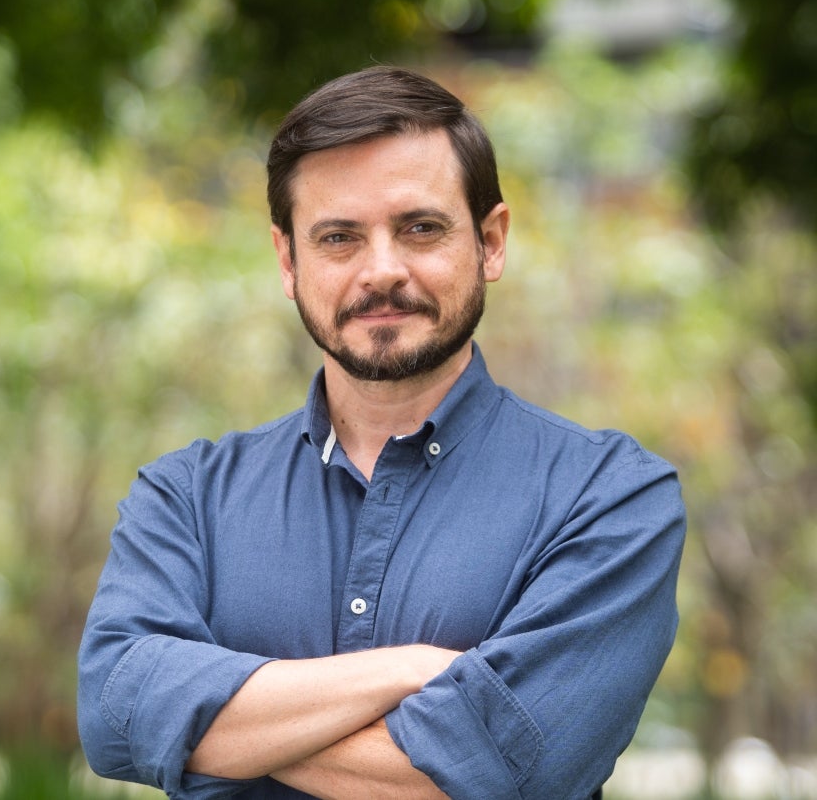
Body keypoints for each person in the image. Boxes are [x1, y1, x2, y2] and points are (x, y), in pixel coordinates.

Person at [77, 66, 685, 799]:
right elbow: (114, 711)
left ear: (491, 242)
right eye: (338, 238)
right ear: (288, 261)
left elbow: (509, 771)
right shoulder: (186, 498)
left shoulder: (610, 496)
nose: (382, 271)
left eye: (420, 228)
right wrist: (417, 670)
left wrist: (204, 732)